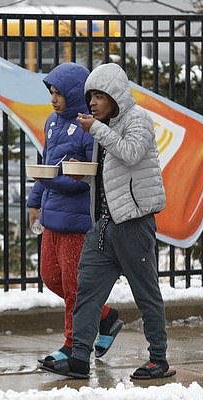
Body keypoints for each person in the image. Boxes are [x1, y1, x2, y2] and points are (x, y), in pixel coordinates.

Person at [41, 62, 175, 380]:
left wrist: (96, 130)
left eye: (99, 97)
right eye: (90, 97)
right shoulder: (100, 127)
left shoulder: (137, 120)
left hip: (133, 224)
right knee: (86, 290)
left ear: (115, 95)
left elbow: (130, 153)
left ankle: (159, 359)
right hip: (102, 226)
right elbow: (107, 176)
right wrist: (80, 173)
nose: (93, 104)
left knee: (146, 293)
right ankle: (78, 357)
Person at [28, 62, 124, 365]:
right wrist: (35, 201)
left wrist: (52, 179)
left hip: (77, 220)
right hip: (52, 216)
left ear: (73, 93)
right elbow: (47, 162)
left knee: (74, 286)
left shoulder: (89, 128)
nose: (54, 99)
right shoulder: (51, 123)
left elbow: (87, 177)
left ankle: (72, 345)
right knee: (51, 277)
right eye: (51, 93)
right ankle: (105, 317)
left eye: (59, 93)